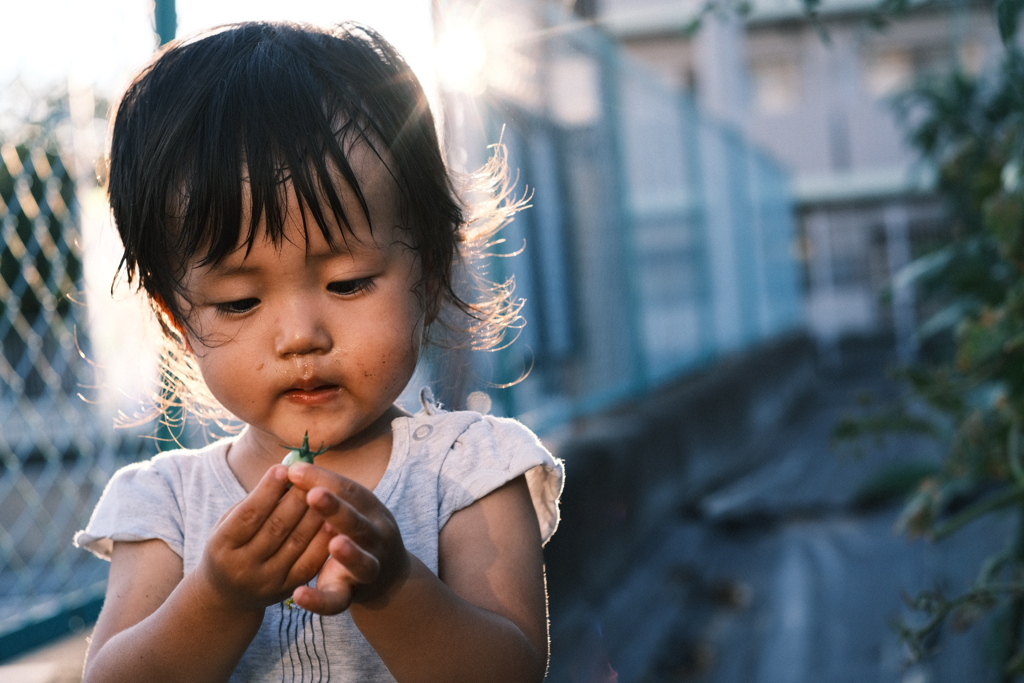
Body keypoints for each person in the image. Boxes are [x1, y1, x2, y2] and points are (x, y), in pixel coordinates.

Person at [74, 20, 563, 683]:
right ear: (177, 319)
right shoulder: (166, 503)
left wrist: (391, 584)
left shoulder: (470, 470)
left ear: (430, 271)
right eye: (239, 301)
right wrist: (218, 597)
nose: (300, 336)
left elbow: (509, 671)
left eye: (348, 283)